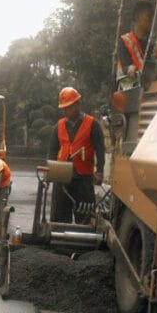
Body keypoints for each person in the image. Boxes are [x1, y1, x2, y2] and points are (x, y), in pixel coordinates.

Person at [46, 87, 105, 224]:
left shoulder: (92, 124)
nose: (65, 111)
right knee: (59, 215)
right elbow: (52, 150)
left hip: (83, 177)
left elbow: (100, 149)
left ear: (77, 105)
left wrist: (100, 171)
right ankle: (59, 240)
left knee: (84, 215)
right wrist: (49, 170)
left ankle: (84, 239)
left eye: (68, 107)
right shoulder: (59, 125)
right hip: (62, 176)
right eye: (63, 108)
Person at [116, 0, 157, 90]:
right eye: (148, 15)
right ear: (137, 17)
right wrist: (129, 69)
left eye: (152, 16)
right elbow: (124, 67)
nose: (151, 19)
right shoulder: (124, 41)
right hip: (133, 90)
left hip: (155, 89)